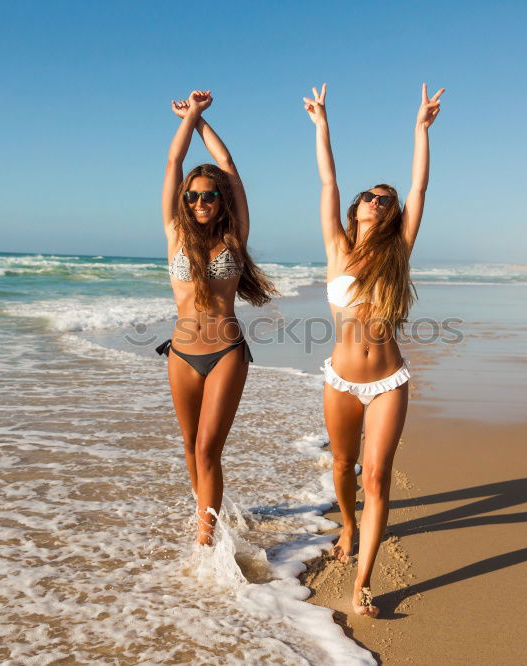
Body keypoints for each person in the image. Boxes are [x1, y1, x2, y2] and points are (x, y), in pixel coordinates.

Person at [303, 82, 443, 616]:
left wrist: (420, 130)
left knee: (377, 476)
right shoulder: (336, 249)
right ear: (359, 206)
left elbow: (421, 189)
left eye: (387, 200)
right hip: (339, 378)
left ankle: (363, 583)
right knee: (343, 468)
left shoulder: (398, 252)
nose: (377, 202)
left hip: (387, 382)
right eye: (371, 196)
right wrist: (322, 124)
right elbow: (327, 180)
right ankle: (347, 525)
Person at [160, 90, 277, 546]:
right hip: (181, 353)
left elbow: (229, 168)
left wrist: (202, 119)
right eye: (193, 196)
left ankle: (204, 542)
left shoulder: (235, 237)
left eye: (208, 196)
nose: (200, 201)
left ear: (220, 200)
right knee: (190, 448)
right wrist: (187, 119)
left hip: (226, 352)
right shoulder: (174, 233)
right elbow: (173, 164)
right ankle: (206, 512)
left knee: (209, 448)